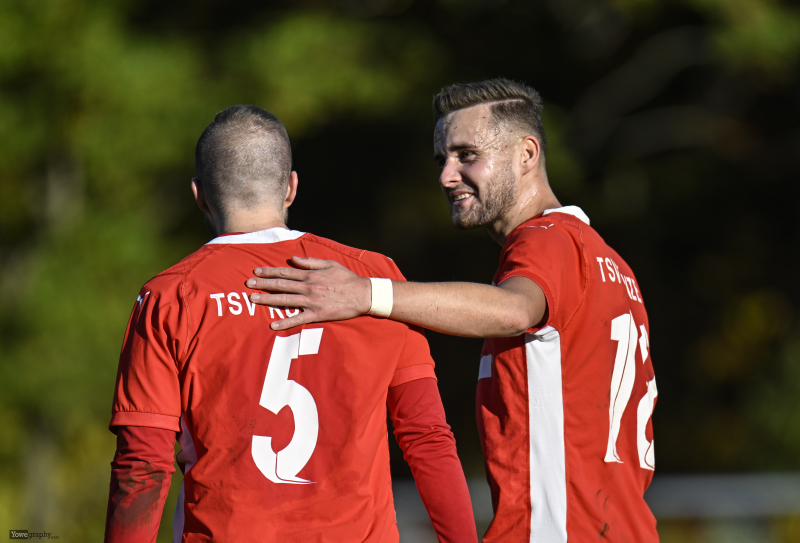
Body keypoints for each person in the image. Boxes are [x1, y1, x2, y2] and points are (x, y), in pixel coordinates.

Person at [245, 79, 659, 542]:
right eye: (443, 159)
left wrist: (367, 295)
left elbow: (514, 310)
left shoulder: (546, 240)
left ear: (527, 154)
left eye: (467, 155)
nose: (446, 175)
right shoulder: (608, 261)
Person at [103, 105, 477, 543]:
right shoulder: (375, 279)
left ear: (200, 194)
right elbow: (427, 438)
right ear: (291, 188)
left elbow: (143, 464)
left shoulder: (170, 297)